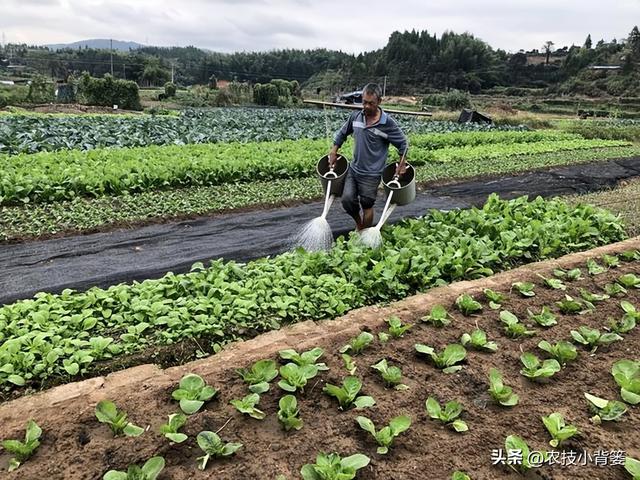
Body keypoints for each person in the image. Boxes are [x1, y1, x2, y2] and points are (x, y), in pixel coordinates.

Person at [328, 83, 408, 231]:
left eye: (371, 103)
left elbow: (403, 144)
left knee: (367, 204)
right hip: (354, 169)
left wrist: (402, 163)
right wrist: (333, 151)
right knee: (347, 201)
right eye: (364, 102)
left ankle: (363, 233)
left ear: (379, 102)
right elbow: (342, 134)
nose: (366, 106)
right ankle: (359, 224)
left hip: (372, 174)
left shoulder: (387, 124)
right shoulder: (355, 117)